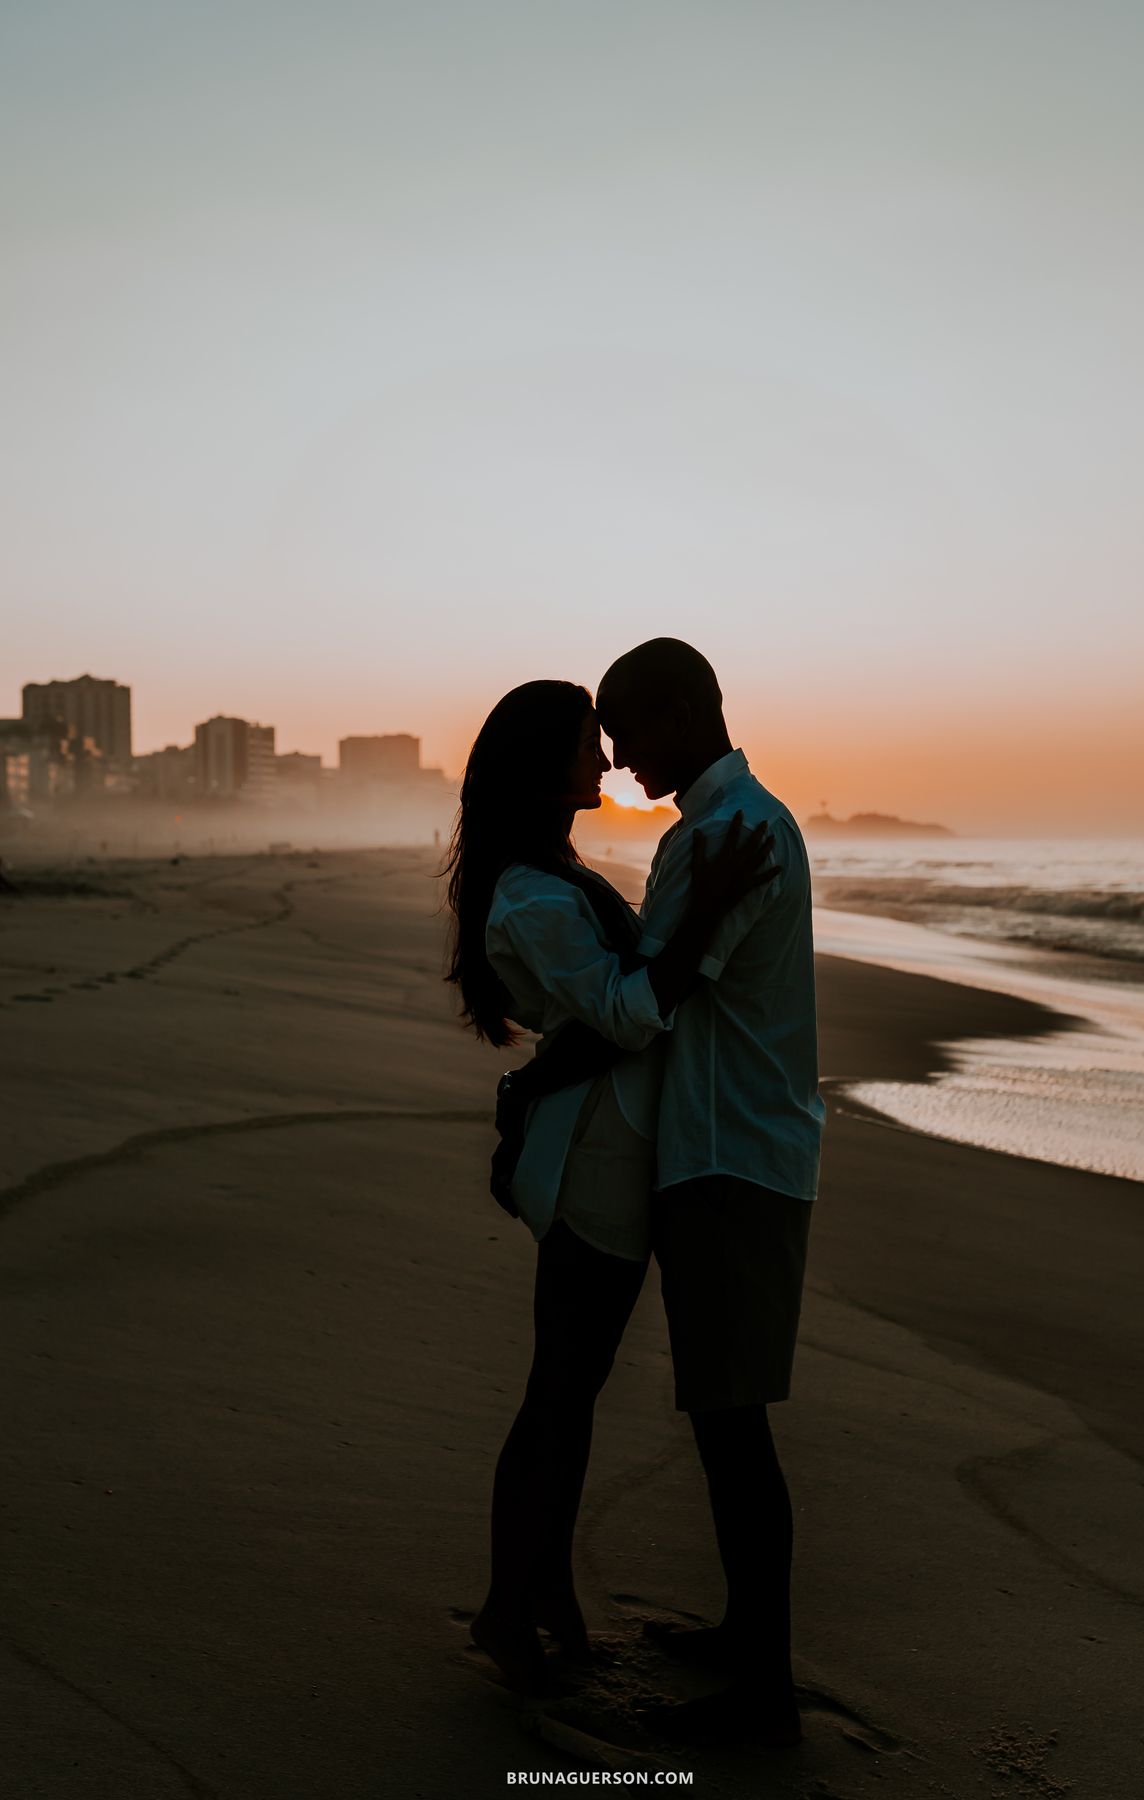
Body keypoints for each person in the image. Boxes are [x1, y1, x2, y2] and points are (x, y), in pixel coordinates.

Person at [443, 678, 775, 1698]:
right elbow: (628, 1015)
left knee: (571, 1394)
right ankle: (507, 1608)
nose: (605, 763)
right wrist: (707, 915)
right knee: (557, 1393)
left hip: (609, 1147)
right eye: (589, 745)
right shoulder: (530, 893)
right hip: (594, 1156)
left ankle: (544, 1592)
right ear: (544, 767)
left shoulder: (550, 872)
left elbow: (613, 1010)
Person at [595, 638, 825, 1750]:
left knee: (735, 1426)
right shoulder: (725, 826)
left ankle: (765, 1695)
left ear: (687, 712)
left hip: (733, 1154)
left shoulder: (728, 834)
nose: (618, 756)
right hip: (731, 1148)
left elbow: (653, 992)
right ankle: (746, 1641)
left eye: (629, 729)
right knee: (724, 1417)